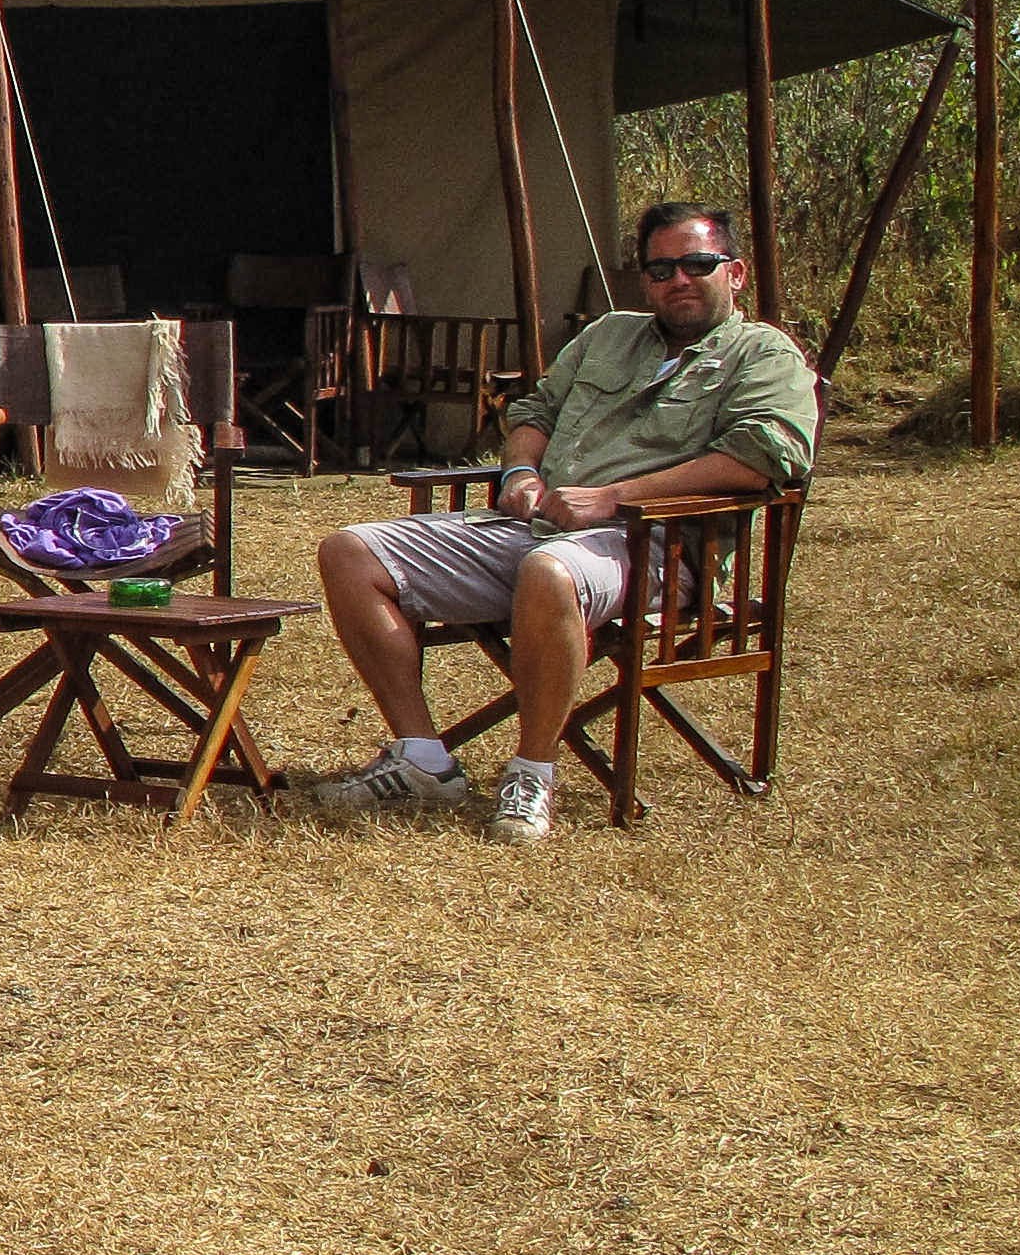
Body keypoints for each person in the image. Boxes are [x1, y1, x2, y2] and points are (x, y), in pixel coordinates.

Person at [307, 200, 818, 844]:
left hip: (657, 544)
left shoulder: (765, 355)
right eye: (661, 270)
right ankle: (422, 758)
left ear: (735, 273)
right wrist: (519, 473)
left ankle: (532, 772)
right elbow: (533, 412)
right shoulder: (609, 335)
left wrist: (613, 497)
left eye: (697, 264)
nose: (679, 280)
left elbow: (761, 459)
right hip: (540, 527)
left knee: (549, 573)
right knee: (352, 551)